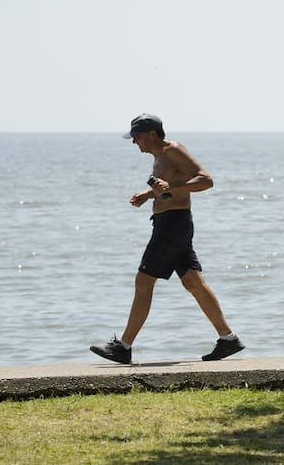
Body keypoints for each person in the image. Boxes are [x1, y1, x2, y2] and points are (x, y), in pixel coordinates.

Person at [90, 113, 244, 364]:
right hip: (172, 222)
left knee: (144, 281)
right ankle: (228, 339)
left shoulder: (173, 150)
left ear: (152, 134)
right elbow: (169, 187)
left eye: (137, 137)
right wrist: (150, 194)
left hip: (173, 225)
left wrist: (170, 189)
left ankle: (123, 347)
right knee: (193, 281)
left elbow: (206, 180)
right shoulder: (160, 157)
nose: (134, 142)